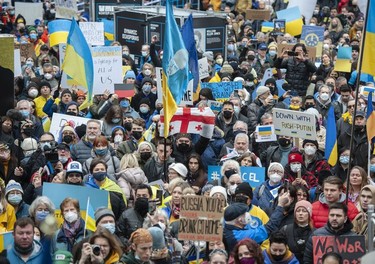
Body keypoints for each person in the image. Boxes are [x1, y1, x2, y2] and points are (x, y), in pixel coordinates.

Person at [223, 196, 289, 252]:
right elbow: (268, 229)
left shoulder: (230, 230)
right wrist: (280, 206)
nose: (248, 214)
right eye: (244, 214)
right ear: (239, 220)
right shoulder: (238, 236)